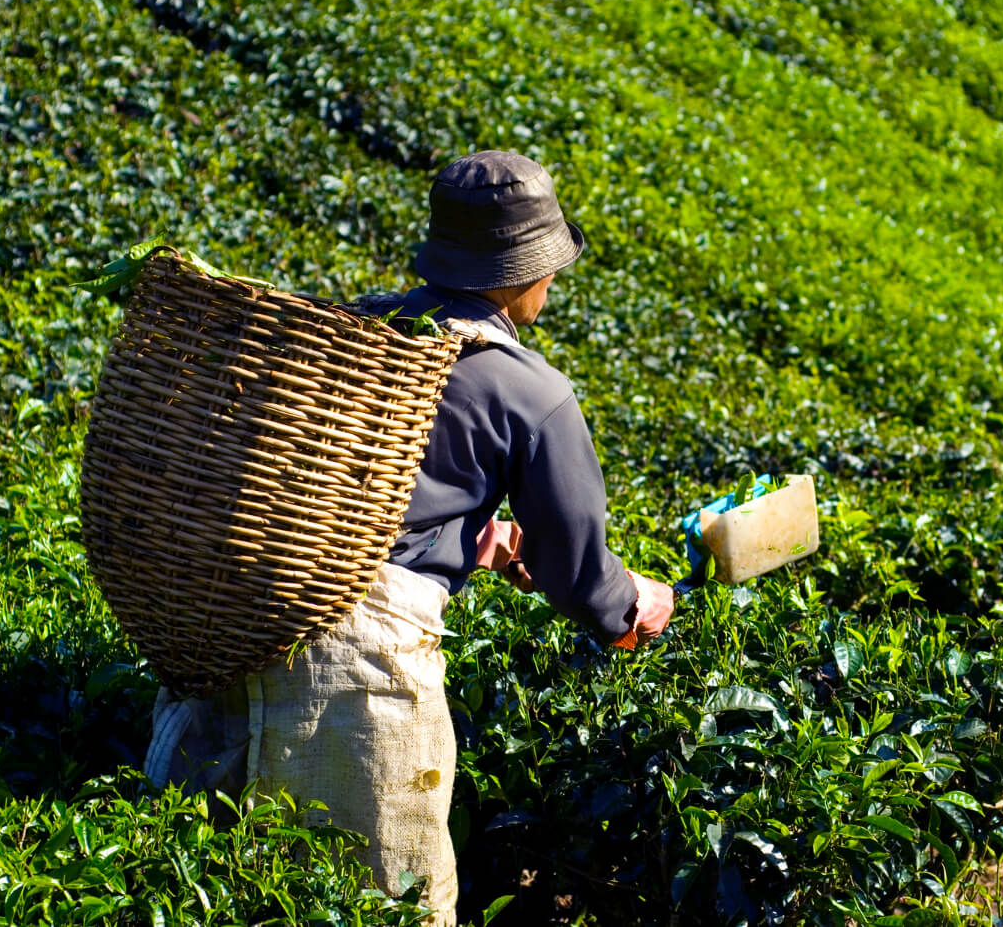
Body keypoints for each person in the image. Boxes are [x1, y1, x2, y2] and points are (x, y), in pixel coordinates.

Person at [144, 151, 676, 926]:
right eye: (548, 264)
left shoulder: (362, 325)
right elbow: (579, 573)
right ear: (518, 271)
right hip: (354, 675)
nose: (552, 282)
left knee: (205, 890)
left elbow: (353, 493)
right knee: (379, 901)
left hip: (242, 619)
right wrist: (635, 606)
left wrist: (471, 536)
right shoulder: (531, 391)